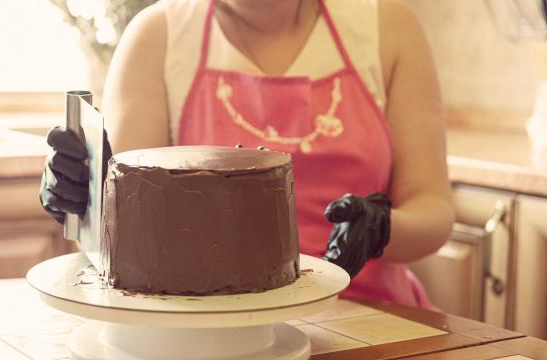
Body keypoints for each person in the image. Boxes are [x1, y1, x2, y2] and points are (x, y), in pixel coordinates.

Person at [40, 0, 454, 309]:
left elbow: (433, 208)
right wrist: (84, 196)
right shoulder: (159, 36)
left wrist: (380, 229)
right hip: (206, 326)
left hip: (374, 314)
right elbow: (127, 222)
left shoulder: (388, 27)